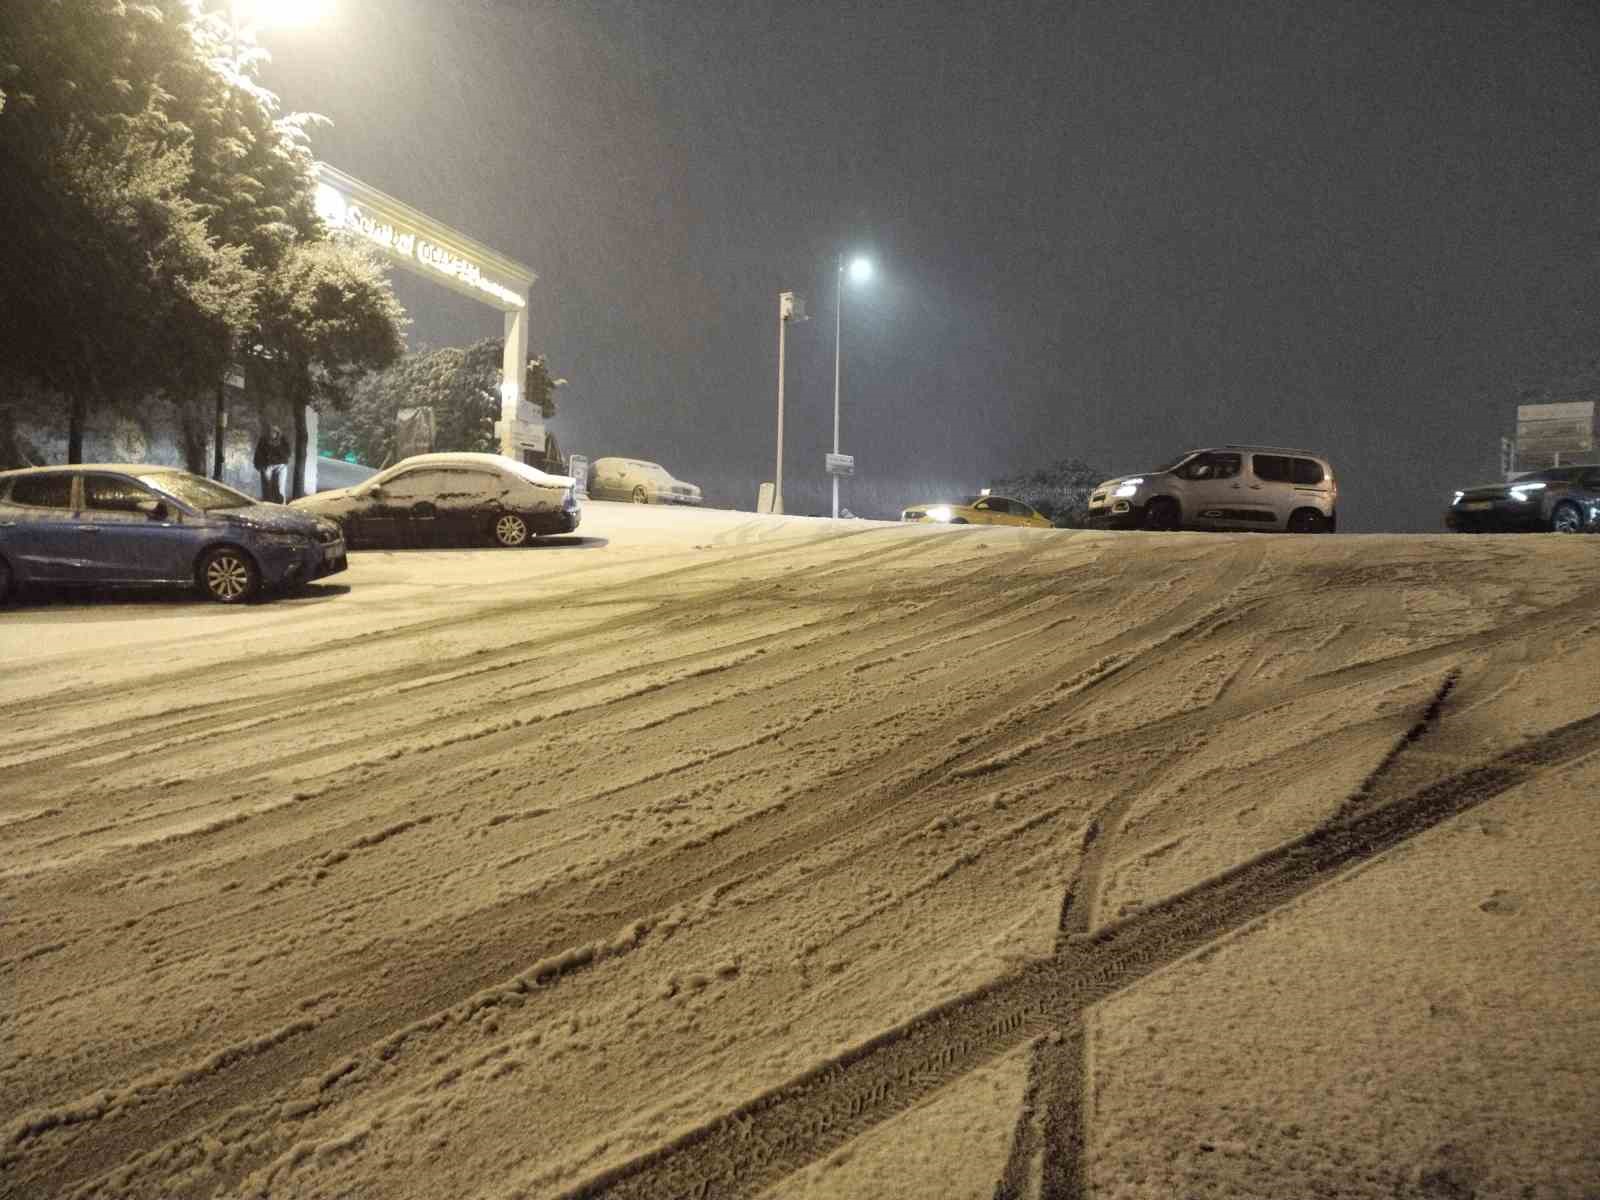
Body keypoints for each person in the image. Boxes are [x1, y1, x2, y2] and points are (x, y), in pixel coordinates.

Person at [254, 424, 290, 503]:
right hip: (268, 465)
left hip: (281, 465)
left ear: (277, 433)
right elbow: (258, 454)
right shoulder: (263, 440)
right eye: (271, 432)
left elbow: (287, 454)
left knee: (281, 487)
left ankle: (282, 505)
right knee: (267, 486)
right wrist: (260, 466)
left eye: (274, 432)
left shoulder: (283, 440)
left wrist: (282, 461)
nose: (272, 434)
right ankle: (268, 504)